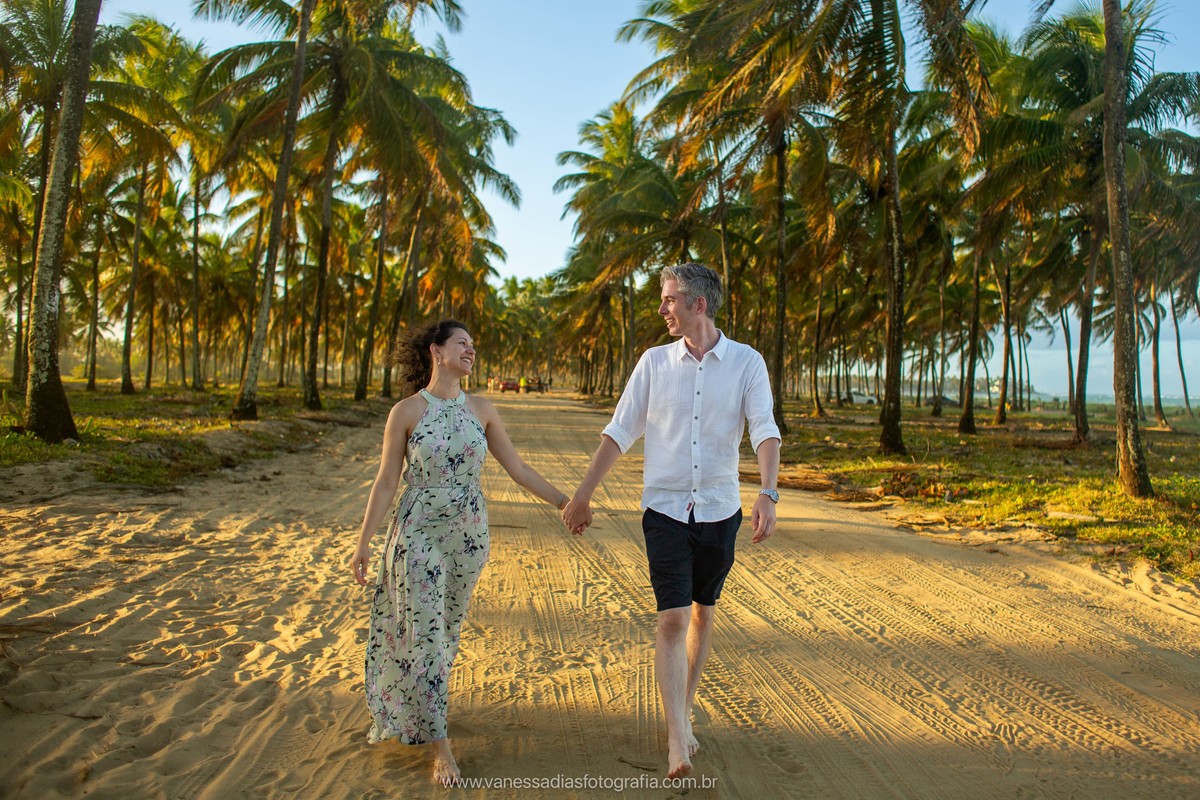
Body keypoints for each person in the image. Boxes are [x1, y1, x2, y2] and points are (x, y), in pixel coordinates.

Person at [562, 263, 781, 779]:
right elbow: (619, 432)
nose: (661, 309)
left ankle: (681, 712)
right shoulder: (653, 363)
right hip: (663, 510)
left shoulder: (747, 363)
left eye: (668, 300)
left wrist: (768, 493)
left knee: (703, 613)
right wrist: (582, 496)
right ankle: (677, 741)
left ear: (696, 304)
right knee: (672, 619)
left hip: (719, 509)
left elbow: (765, 429)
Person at [351, 319, 570, 786]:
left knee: (444, 632)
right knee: (427, 632)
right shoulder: (406, 412)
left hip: (468, 536)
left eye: (474, 345)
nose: (471, 351)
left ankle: (422, 712)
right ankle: (440, 748)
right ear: (436, 351)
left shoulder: (483, 409)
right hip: (417, 532)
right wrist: (364, 541)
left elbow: (518, 468)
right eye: (462, 344)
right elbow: (387, 480)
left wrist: (564, 502)